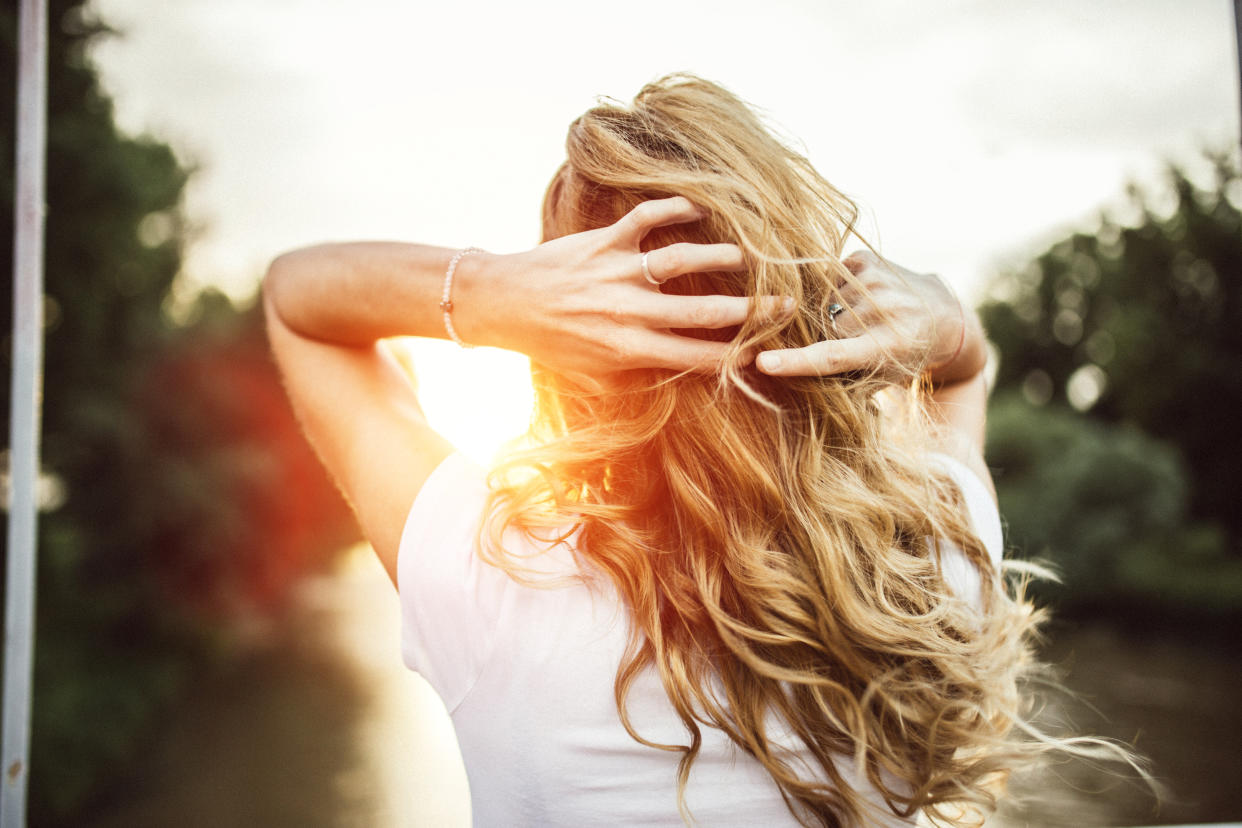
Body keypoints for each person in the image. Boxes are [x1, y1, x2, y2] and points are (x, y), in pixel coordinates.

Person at [263, 74, 1041, 827]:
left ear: (563, 338)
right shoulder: (932, 556)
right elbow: (959, 378)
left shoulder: (494, 583)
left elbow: (297, 299)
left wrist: (489, 291)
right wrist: (945, 316)